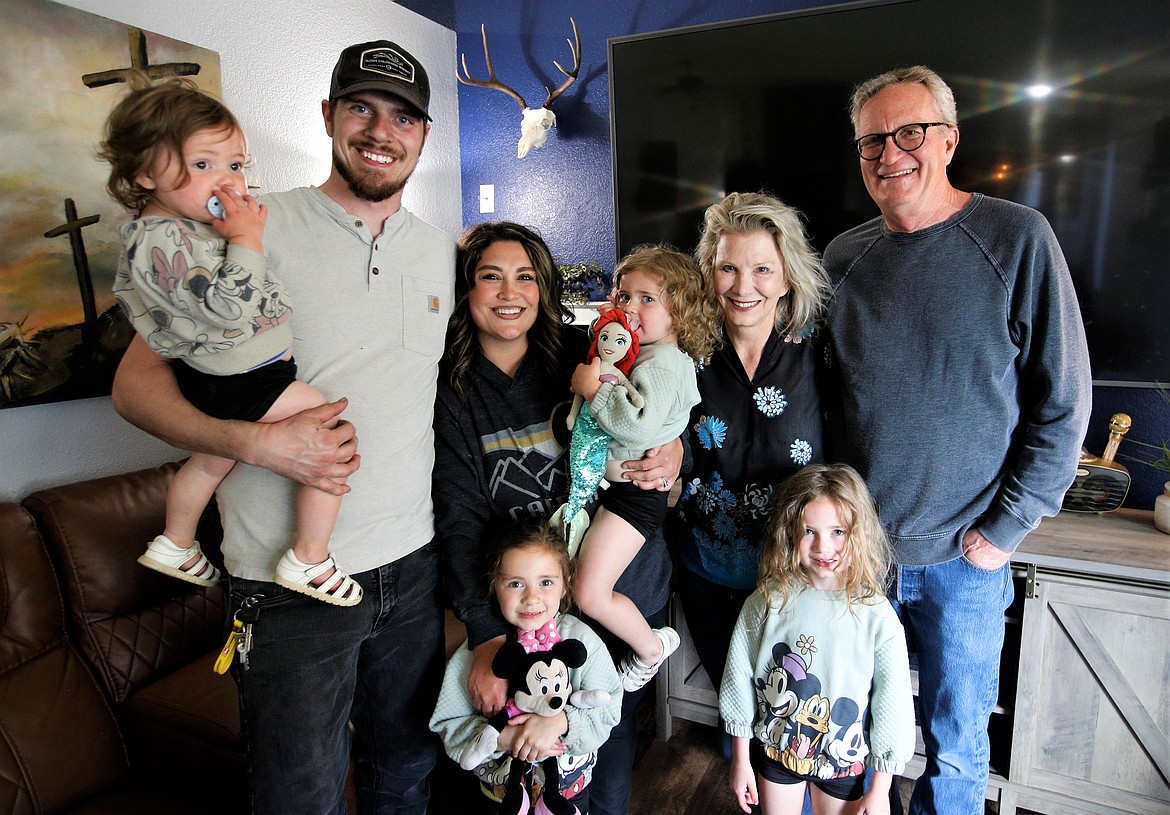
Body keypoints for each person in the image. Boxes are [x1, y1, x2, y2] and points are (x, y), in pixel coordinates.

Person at [111, 40, 454, 814]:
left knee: (405, 772)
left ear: (423, 136)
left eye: (403, 116)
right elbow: (134, 389)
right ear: (328, 116)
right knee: (299, 796)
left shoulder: (439, 254)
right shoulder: (246, 226)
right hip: (283, 584)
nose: (381, 130)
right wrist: (255, 443)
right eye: (361, 107)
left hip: (414, 562)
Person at [822, 65, 1092, 814]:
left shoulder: (1015, 238)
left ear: (947, 140)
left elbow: (1064, 403)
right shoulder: (842, 258)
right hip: (860, 560)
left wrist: (1004, 530)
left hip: (965, 562)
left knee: (956, 749)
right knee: (849, 738)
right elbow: (814, 399)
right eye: (871, 141)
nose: (889, 154)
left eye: (909, 132)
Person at [432, 221, 681, 815]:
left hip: (614, 598)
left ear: (544, 289)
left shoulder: (584, 355)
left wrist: (673, 451)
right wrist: (487, 633)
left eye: (525, 277)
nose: (509, 292)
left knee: (604, 771)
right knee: (523, 776)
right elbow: (459, 516)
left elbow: (658, 407)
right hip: (522, 614)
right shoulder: (452, 393)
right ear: (467, 290)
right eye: (490, 277)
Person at [99, 77, 360, 606]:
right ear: (145, 172)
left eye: (236, 166)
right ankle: (310, 554)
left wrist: (231, 235)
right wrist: (245, 238)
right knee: (331, 432)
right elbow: (227, 306)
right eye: (203, 166)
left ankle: (176, 540)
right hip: (243, 379)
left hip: (241, 377)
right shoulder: (161, 241)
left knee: (210, 461)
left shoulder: (185, 231)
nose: (227, 182)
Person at [673, 191, 833, 733]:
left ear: (787, 275)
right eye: (728, 268)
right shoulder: (683, 349)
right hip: (707, 570)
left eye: (762, 269)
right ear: (708, 272)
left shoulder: (820, 348)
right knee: (738, 715)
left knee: (802, 723)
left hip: (800, 576)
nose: (744, 287)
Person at [721, 463, 915, 815]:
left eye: (838, 531)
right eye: (809, 531)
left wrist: (881, 787)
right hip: (776, 755)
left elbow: (894, 704)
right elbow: (738, 679)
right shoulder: (767, 601)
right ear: (790, 533)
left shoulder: (877, 615)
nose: (824, 547)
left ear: (859, 532)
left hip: (842, 765)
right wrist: (740, 760)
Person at [568, 245, 713, 692]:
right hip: (626, 494)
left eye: (647, 299)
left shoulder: (663, 363)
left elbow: (637, 427)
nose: (630, 307)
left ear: (680, 314)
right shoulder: (648, 357)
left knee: (588, 591)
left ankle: (651, 649)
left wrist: (594, 390)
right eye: (624, 295)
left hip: (635, 498)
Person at [430, 519, 623, 813]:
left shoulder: (583, 641)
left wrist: (561, 722)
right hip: (496, 798)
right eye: (515, 583)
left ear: (564, 584)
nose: (532, 598)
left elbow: (609, 708)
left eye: (546, 582)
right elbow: (447, 723)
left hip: (568, 792)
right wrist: (504, 737)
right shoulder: (477, 654)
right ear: (494, 585)